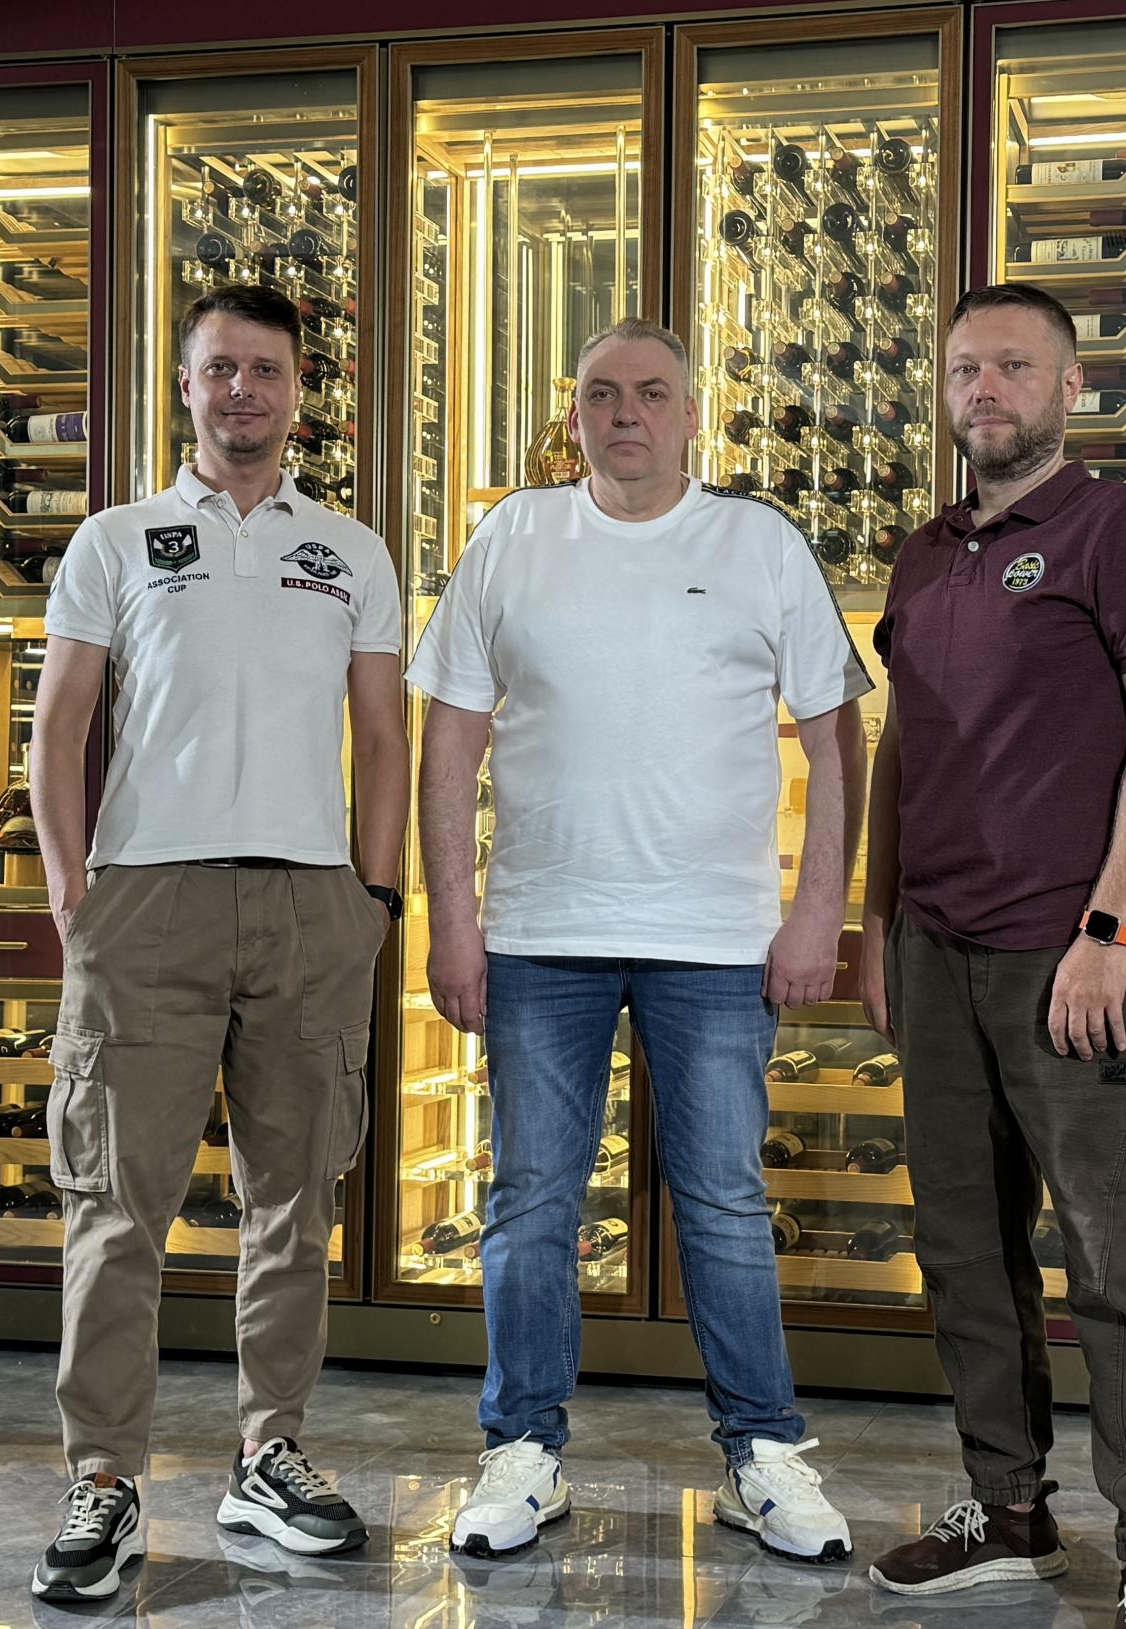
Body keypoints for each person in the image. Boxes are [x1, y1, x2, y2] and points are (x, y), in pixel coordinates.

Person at [407, 317, 871, 1564]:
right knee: (529, 1201)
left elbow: (835, 734)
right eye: (602, 393)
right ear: (573, 415)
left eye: (651, 393)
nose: (626, 414)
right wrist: (453, 919)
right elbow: (448, 736)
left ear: (689, 413)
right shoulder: (512, 538)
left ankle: (762, 1453)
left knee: (722, 1201)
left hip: (715, 939)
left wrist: (817, 908)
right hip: (539, 934)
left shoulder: (758, 542)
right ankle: (522, 1451)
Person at [26, 282, 408, 1601]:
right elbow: (59, 724)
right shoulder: (117, 541)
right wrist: (73, 890)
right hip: (146, 903)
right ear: (185, 386)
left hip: (310, 905)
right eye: (220, 368)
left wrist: (374, 897)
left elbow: (383, 736)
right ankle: (104, 1476)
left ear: (299, 392)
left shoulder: (350, 552)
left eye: (265, 370)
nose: (242, 389)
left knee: (295, 1202)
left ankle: (268, 1451)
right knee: (113, 1205)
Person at [860, 282, 1126, 1629]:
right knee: (963, 1248)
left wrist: (1108, 934)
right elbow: (904, 748)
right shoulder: (924, 553)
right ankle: (1007, 1511)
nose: (984, 389)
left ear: (1071, 388)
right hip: (939, 951)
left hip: (1073, 957)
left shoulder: (1119, 531)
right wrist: (880, 923)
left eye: (1013, 366)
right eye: (964, 368)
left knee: (1115, 1257)